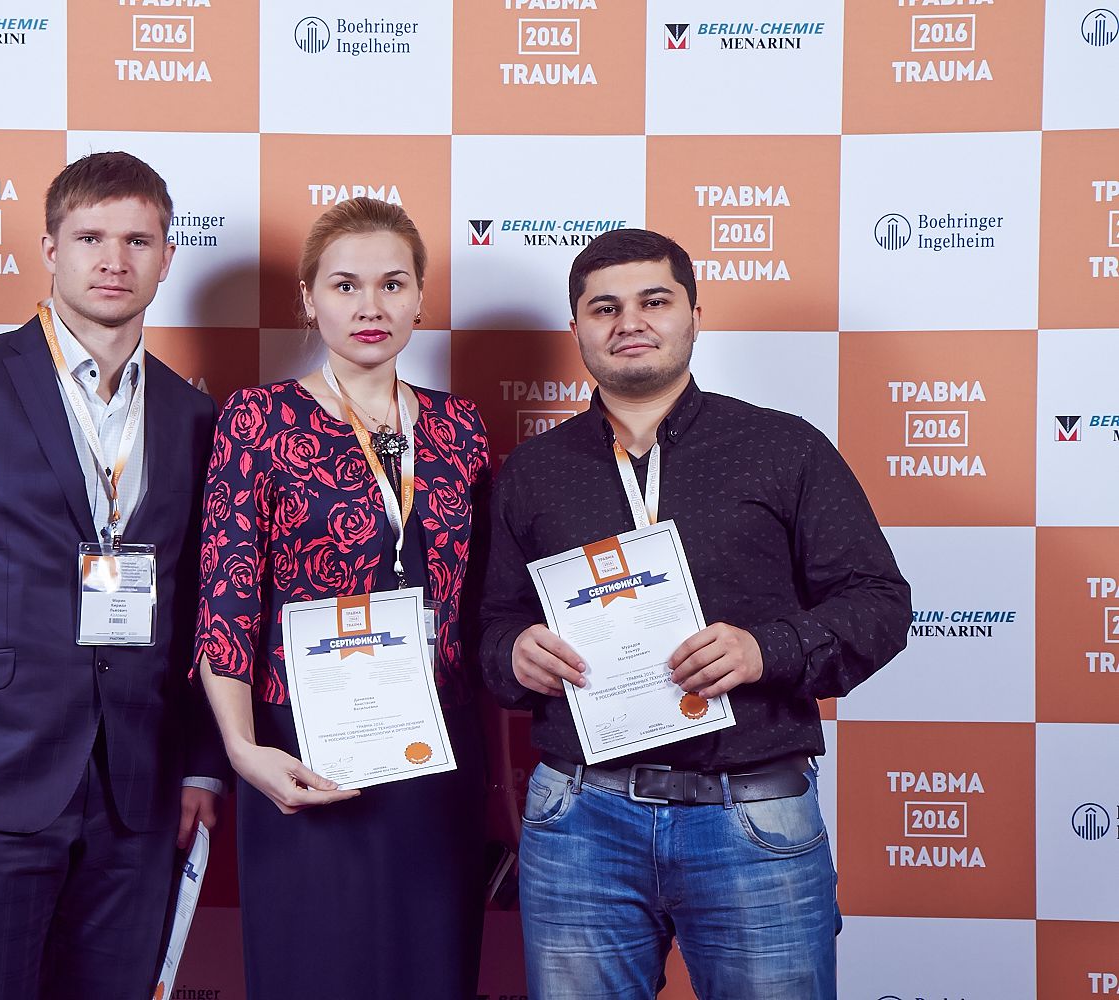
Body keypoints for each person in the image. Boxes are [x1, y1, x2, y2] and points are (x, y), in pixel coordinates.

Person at [479, 229, 911, 999]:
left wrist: (766, 649)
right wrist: (512, 653)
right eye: (604, 308)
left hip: (749, 813)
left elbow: (879, 603)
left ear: (695, 316)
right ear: (577, 328)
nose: (629, 322)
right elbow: (491, 622)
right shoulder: (534, 471)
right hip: (580, 819)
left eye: (654, 301)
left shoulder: (783, 446)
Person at [0, 151, 227, 1000]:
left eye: (138, 241)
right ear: (51, 249)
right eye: (90, 237)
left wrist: (202, 766)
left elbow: (206, 608)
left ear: (168, 257)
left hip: (139, 798)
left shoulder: (193, 414)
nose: (114, 260)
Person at [194, 197, 491, 999]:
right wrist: (242, 749)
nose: (370, 307)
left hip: (435, 747)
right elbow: (226, 598)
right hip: (302, 746)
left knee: (431, 971)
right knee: (316, 968)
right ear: (309, 299)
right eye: (346, 285)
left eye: (393, 284)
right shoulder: (257, 418)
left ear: (420, 298)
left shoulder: (460, 427)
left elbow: (477, 603)